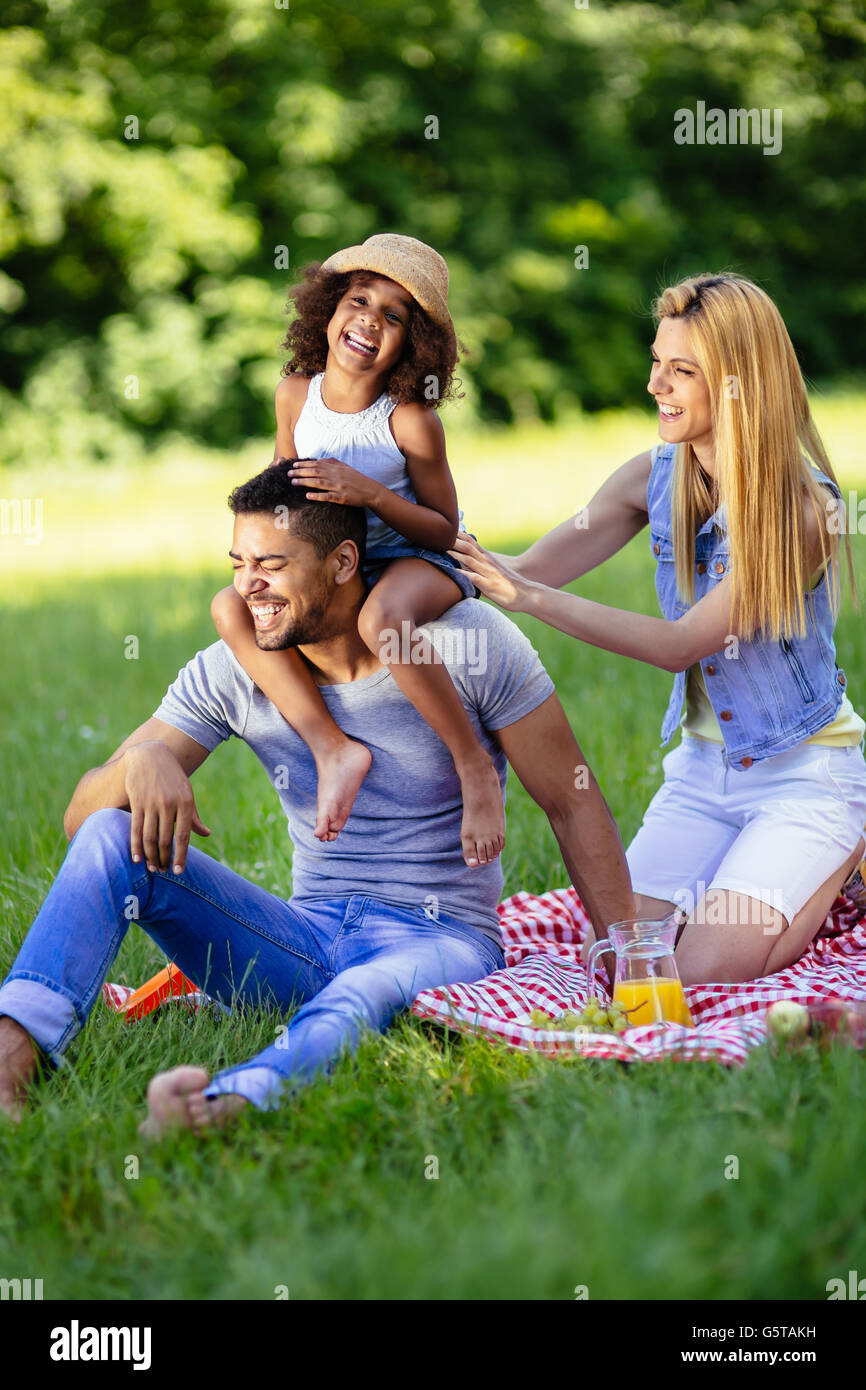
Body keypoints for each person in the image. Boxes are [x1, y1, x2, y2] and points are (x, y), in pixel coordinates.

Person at [0, 462, 635, 1131]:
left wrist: (631, 961)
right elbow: (81, 821)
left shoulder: (470, 647)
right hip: (303, 937)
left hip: (440, 936)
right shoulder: (233, 670)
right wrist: (144, 764)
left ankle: (226, 1105)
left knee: (365, 987)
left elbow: (572, 801)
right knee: (110, 834)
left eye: (272, 564)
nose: (248, 587)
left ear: (341, 563)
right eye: (239, 562)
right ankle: (12, 1062)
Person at [452, 273, 866, 985]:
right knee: (623, 963)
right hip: (703, 775)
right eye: (656, 363)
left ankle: (846, 848)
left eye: (682, 372)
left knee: (700, 972)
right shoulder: (655, 474)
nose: (656, 386)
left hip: (805, 777)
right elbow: (530, 567)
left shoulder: (798, 510)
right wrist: (423, 537)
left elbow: (680, 644)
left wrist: (527, 600)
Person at [212, 233, 505, 869]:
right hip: (336, 564)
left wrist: (368, 492)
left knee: (381, 622)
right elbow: (281, 493)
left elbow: (443, 526)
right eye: (359, 300)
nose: (369, 322)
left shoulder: (408, 421)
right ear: (329, 310)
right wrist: (264, 563)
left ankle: (472, 765)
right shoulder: (295, 394)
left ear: (414, 342)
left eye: (393, 316)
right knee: (228, 608)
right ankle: (331, 748)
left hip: (414, 560)